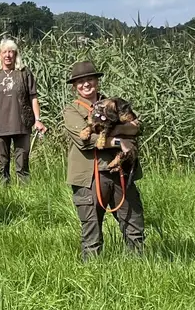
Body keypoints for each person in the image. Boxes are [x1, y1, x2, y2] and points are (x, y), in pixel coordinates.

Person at [62, 60, 145, 260]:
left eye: (90, 79)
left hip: (120, 173)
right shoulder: (71, 110)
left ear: (97, 82)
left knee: (134, 225)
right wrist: (119, 141)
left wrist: (119, 129)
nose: (86, 85)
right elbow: (86, 141)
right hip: (88, 176)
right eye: (80, 82)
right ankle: (92, 273)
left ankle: (140, 270)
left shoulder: (115, 104)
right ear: (75, 87)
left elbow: (137, 125)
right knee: (91, 232)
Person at [0, 38, 45, 185]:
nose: (8, 55)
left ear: (15, 54)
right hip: (0, 126)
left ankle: (25, 193)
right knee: (2, 163)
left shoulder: (24, 73)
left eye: (11, 52)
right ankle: (4, 194)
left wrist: (37, 120)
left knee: (22, 162)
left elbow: (33, 97)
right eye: (5, 52)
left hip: (21, 124)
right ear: (0, 55)